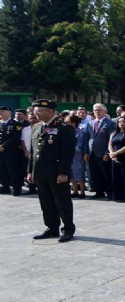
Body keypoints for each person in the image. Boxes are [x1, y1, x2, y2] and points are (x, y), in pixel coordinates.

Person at [28, 99, 76, 243]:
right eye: (34, 111)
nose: (35, 114)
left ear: (49, 112)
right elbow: (33, 152)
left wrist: (63, 173)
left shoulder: (64, 127)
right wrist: (30, 171)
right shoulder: (36, 127)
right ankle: (51, 228)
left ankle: (67, 229)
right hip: (41, 172)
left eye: (38, 111)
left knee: (62, 202)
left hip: (56, 173)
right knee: (46, 202)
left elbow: (67, 153)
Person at [84, 103, 116, 199]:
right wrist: (85, 152)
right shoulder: (90, 123)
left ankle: (110, 192)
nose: (97, 112)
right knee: (95, 173)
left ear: (105, 111)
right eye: (95, 110)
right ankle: (99, 192)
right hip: (92, 153)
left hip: (103, 153)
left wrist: (107, 152)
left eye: (99, 110)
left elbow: (111, 139)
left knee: (106, 174)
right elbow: (87, 138)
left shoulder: (110, 123)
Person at [109, 117, 125, 202]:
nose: (121, 123)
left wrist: (116, 153)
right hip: (114, 158)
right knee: (116, 177)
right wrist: (112, 154)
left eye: (123, 122)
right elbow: (110, 144)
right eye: (119, 122)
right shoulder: (113, 133)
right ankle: (118, 196)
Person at [0, 106, 23, 195]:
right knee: (2, 170)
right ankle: (5, 187)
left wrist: (3, 146)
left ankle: (16, 188)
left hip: (11, 151)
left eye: (3, 111)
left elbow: (16, 137)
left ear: (9, 113)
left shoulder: (15, 124)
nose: (1, 113)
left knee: (13, 170)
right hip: (0, 152)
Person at [66, 115, 87, 199]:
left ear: (73, 123)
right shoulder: (66, 131)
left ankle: (82, 191)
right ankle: (74, 191)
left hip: (77, 155)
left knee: (79, 173)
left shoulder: (80, 132)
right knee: (71, 174)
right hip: (68, 155)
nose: (66, 124)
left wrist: (68, 149)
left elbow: (79, 145)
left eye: (68, 122)